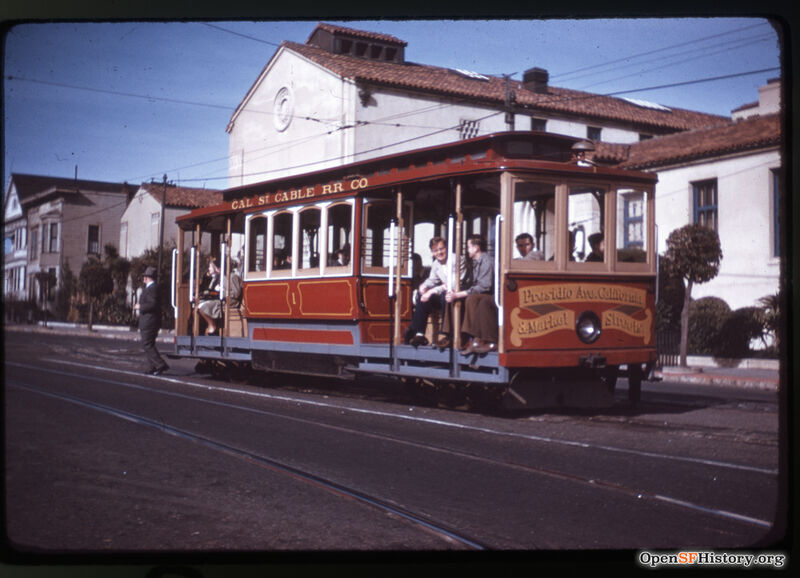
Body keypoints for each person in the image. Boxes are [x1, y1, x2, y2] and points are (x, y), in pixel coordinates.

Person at [441, 234, 498, 354]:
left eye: (468, 247)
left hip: (491, 294)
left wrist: (460, 294)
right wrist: (456, 293)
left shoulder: (486, 261)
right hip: (479, 292)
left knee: (471, 299)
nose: (467, 250)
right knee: (452, 298)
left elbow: (484, 286)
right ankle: (451, 334)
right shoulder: (474, 262)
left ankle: (471, 336)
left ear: (476, 247)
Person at [405, 237, 449, 347]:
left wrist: (432, 291)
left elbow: (453, 284)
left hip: (457, 293)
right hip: (445, 292)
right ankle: (419, 334)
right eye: (435, 250)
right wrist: (424, 286)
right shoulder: (436, 264)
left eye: (441, 249)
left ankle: (446, 335)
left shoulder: (456, 260)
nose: (439, 252)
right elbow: (432, 280)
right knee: (422, 295)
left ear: (447, 248)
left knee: (444, 296)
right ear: (432, 252)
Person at [134, 266, 168, 375]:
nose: (143, 278)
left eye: (144, 276)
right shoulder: (151, 288)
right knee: (149, 343)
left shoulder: (152, 288)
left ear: (147, 277)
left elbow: (152, 304)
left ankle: (160, 364)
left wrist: (140, 306)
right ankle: (152, 366)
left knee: (147, 344)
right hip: (149, 320)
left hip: (150, 321)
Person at [197, 259, 222, 335]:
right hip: (209, 299)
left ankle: (212, 325)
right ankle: (200, 329)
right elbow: (204, 287)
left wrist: (207, 293)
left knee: (201, 307)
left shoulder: (219, 278)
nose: (209, 269)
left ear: (215, 268)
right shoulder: (210, 278)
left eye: (210, 267)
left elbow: (216, 291)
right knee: (196, 308)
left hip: (216, 300)